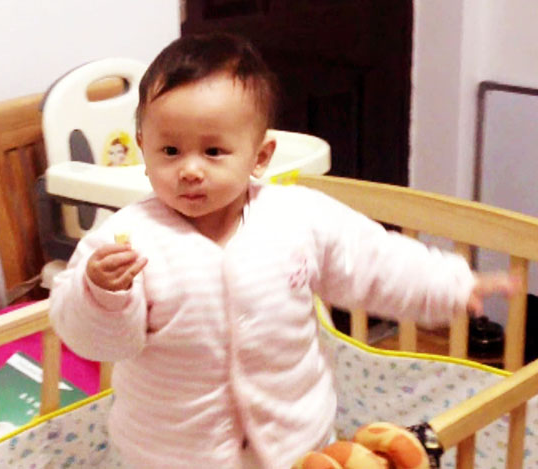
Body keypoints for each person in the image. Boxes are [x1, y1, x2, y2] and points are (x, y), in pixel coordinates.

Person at [49, 33, 518, 469]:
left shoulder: (297, 216)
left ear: (260, 156)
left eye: (213, 152)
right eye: (170, 151)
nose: (190, 170)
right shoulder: (126, 239)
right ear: (143, 149)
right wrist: (101, 294)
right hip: (170, 454)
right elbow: (98, 342)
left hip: (298, 441)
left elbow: (373, 261)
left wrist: (451, 284)